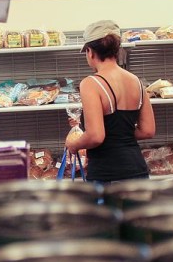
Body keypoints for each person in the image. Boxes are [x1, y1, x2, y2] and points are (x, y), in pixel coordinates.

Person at [65, 20, 155, 182]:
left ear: (90, 51)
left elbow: (96, 136)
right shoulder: (136, 81)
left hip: (107, 174)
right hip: (138, 171)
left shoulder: (91, 83)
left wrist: (74, 145)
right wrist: (120, 134)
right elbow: (148, 130)